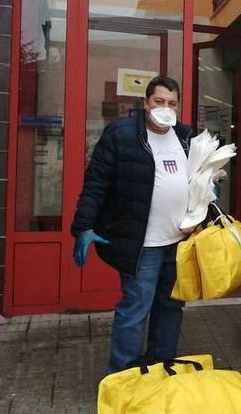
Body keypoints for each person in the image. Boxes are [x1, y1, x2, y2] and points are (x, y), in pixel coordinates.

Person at [70, 76, 194, 375]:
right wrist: (83, 226)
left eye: (172, 103)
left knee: (171, 307)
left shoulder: (187, 137)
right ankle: (122, 377)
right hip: (142, 245)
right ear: (146, 103)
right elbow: (96, 183)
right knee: (135, 309)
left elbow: (200, 181)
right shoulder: (121, 134)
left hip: (178, 242)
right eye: (159, 101)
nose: (166, 108)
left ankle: (160, 368)